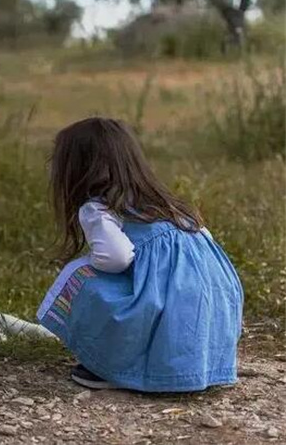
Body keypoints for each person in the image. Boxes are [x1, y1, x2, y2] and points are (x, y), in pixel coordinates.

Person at [37, 117, 243, 392]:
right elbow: (206, 246)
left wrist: (91, 263)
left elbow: (117, 257)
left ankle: (114, 366)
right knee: (164, 293)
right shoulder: (168, 205)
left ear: (78, 169)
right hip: (213, 305)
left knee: (78, 276)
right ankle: (196, 364)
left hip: (167, 306)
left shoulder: (98, 209)